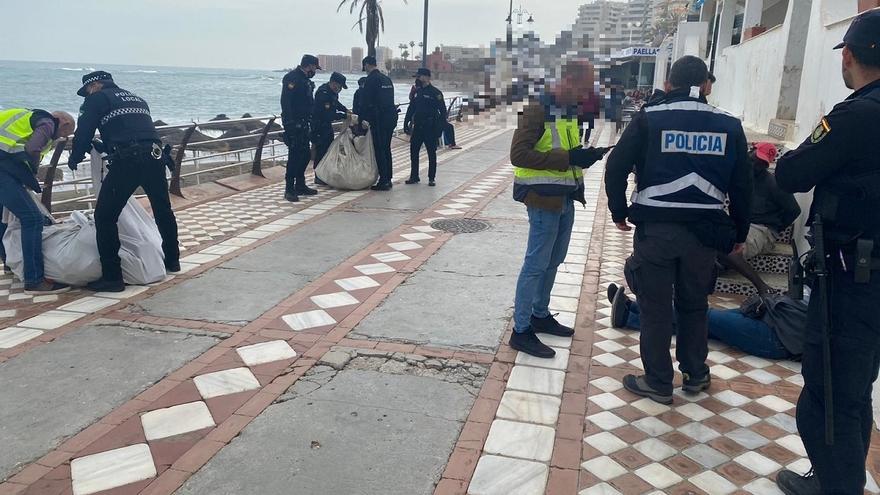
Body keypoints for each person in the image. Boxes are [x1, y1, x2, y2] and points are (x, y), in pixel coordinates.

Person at [773, 11, 880, 495]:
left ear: (851, 56)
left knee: (828, 394)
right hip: (869, 282)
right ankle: (842, 481)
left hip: (851, 280)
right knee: (855, 390)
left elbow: (794, 172)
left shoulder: (856, 114)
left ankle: (837, 488)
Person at [604, 56, 752, 404]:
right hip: (704, 235)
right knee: (694, 303)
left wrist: (618, 211)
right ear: (705, 86)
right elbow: (744, 186)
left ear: (668, 84)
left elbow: (616, 167)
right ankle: (696, 374)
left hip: (657, 230)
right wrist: (740, 233)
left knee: (655, 307)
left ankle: (657, 381)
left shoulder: (649, 118)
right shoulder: (729, 125)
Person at [509, 57, 610, 358]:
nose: (585, 96)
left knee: (555, 260)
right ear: (566, 81)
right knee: (536, 264)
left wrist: (582, 156)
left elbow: (563, 150)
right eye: (582, 88)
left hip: (564, 197)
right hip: (542, 199)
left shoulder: (566, 111)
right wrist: (568, 159)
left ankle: (540, 314)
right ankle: (521, 329)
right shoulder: (536, 108)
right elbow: (518, 155)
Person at [69, 71, 180, 292]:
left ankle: (112, 278)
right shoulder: (136, 98)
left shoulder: (96, 99)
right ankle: (172, 261)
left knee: (105, 217)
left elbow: (84, 131)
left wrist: (75, 156)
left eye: (87, 91)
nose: (86, 96)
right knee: (163, 210)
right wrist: (106, 145)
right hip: (156, 156)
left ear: (95, 86)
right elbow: (131, 128)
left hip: (129, 161)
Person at [607, 284, 805, 360]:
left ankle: (631, 314)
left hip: (778, 337)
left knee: (700, 316)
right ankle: (632, 311)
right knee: (700, 324)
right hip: (774, 319)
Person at [0, 108, 75, 294]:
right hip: (3, 170)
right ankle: (35, 280)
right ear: (63, 123)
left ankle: (9, 263)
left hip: (5, 166)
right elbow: (33, 148)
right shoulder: (48, 122)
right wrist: (31, 172)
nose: (63, 138)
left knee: (2, 216)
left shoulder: (27, 117)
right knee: (32, 218)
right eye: (67, 133)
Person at [720, 142, 800, 295]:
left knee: (727, 247)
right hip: (739, 223)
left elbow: (794, 210)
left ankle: (761, 287)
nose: (756, 165)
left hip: (761, 229)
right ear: (750, 151)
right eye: (755, 159)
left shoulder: (773, 183)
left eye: (762, 163)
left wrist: (774, 228)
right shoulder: (740, 176)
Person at [281, 55, 320, 202]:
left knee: (304, 155)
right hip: (294, 123)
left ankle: (300, 184)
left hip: (305, 123)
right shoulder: (292, 78)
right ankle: (289, 188)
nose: (315, 71)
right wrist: (289, 124)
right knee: (294, 156)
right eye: (315, 68)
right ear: (309, 65)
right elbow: (286, 102)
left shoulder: (305, 80)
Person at [360, 56, 398, 191]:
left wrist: (363, 120)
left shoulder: (371, 79)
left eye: (364, 67)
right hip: (391, 117)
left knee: (380, 149)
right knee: (386, 148)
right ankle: (388, 178)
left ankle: (384, 180)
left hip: (379, 119)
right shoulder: (386, 79)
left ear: (367, 65)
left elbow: (366, 102)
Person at [404, 68, 447, 187]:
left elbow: (443, 112)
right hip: (418, 127)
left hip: (430, 127)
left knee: (431, 153)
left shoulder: (436, 93)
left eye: (419, 76)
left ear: (427, 77)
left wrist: (439, 129)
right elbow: (411, 108)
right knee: (414, 152)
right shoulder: (417, 92)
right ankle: (414, 176)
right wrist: (406, 122)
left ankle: (431, 178)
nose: (417, 79)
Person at [311, 72, 349, 186]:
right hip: (318, 125)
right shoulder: (323, 93)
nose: (340, 89)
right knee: (321, 151)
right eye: (339, 86)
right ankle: (318, 176)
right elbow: (328, 114)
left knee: (328, 149)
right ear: (333, 83)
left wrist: (345, 109)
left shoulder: (332, 93)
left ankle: (324, 173)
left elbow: (336, 103)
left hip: (326, 125)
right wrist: (344, 116)